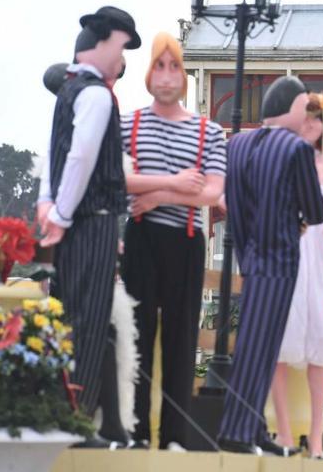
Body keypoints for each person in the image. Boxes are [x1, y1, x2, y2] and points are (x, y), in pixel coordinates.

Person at [35, 6, 140, 447]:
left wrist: (48, 204)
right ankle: (78, 425)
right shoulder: (95, 94)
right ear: (102, 40)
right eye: (120, 46)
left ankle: (74, 419)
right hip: (92, 221)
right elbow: (78, 158)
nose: (122, 59)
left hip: (72, 220)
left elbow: (54, 154)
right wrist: (59, 214)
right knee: (90, 323)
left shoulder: (70, 89)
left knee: (71, 318)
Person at [119, 32, 226, 451]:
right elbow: (120, 178)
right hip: (141, 238)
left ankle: (175, 436)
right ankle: (137, 431)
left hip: (185, 239)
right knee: (138, 333)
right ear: (148, 71)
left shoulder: (209, 130)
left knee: (182, 338)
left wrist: (160, 193)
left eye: (175, 66)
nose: (166, 76)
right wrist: (178, 182)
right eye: (159, 65)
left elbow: (213, 192)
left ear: (184, 75)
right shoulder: (128, 123)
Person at [217, 76, 323, 456]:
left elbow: (231, 202)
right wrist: (297, 220)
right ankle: (238, 431)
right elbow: (315, 211)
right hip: (279, 258)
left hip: (250, 257)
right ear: (293, 106)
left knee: (256, 342)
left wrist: (248, 252)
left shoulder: (237, 143)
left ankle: (254, 427)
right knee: (259, 347)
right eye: (304, 106)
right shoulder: (295, 148)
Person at [270, 93, 323, 457]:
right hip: (285, 251)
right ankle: (284, 433)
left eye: (317, 119)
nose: (311, 125)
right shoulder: (280, 162)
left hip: (317, 254)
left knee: (320, 341)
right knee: (279, 340)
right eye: (305, 118)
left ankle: (316, 438)